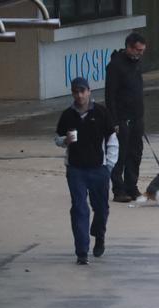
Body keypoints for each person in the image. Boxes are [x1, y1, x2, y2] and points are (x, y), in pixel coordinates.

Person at [55, 77, 119, 265]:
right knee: (79, 208)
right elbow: (57, 139)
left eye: (83, 91)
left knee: (101, 209)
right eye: (76, 91)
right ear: (73, 93)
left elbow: (112, 140)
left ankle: (99, 235)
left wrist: (109, 166)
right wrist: (65, 140)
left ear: (89, 91)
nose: (80, 95)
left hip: (99, 168)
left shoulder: (101, 112)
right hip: (76, 170)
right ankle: (81, 251)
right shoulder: (67, 115)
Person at [105, 32, 147, 202]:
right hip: (122, 118)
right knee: (120, 155)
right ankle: (119, 190)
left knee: (135, 153)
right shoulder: (115, 65)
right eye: (138, 50)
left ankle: (132, 186)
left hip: (137, 117)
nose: (140, 53)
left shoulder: (136, 63)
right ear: (129, 47)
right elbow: (110, 95)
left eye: (143, 50)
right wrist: (114, 121)